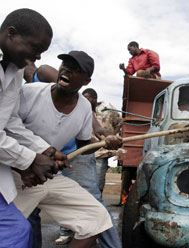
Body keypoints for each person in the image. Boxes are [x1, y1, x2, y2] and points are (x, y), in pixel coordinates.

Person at [12, 50, 120, 248]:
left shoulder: (84, 109)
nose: (67, 69)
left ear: (86, 81)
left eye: (76, 69)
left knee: (97, 219)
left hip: (50, 176)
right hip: (18, 175)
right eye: (66, 64)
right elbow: (7, 130)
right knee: (14, 230)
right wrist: (27, 163)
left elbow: (83, 147)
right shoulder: (30, 93)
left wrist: (104, 143)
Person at [0, 8, 69, 248]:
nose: (37, 58)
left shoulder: (15, 72)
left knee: (19, 232)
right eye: (35, 48)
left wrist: (44, 149)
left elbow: (9, 123)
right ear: (11, 34)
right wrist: (29, 159)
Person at [55, 88, 122, 247]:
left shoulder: (88, 109)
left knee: (93, 199)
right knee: (63, 198)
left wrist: (109, 136)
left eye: (88, 98)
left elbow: (100, 131)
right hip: (46, 156)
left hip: (81, 156)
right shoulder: (39, 94)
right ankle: (67, 231)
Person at [82, 88, 122, 195]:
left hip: (101, 152)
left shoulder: (108, 109)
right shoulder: (81, 110)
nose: (84, 101)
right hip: (85, 151)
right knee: (83, 182)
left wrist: (112, 136)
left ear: (94, 99)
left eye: (87, 98)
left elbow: (119, 123)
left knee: (97, 184)